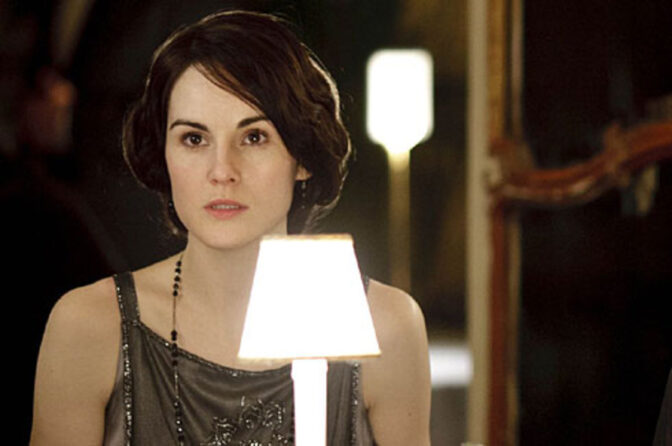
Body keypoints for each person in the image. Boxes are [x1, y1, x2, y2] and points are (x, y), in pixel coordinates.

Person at [30, 10, 431, 445]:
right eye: (194, 139)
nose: (222, 170)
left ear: (302, 155)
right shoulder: (89, 327)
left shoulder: (387, 327)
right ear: (163, 153)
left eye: (254, 137)